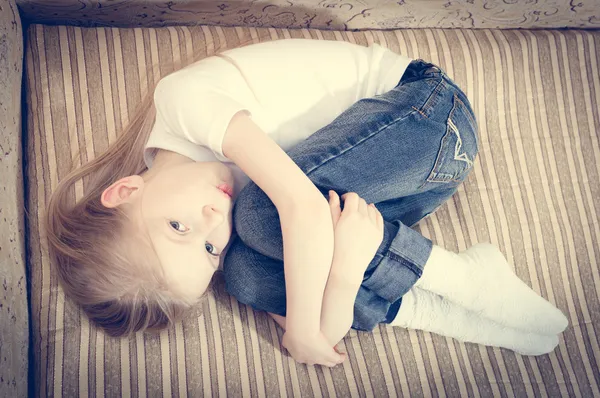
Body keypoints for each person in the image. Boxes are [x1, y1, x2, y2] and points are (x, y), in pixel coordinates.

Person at [46, 38, 568, 367]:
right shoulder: (215, 196)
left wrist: (304, 330)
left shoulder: (180, 103)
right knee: (248, 275)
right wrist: (336, 283)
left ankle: (464, 279)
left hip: (428, 119)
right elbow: (308, 251)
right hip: (399, 190)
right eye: (207, 249)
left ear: (126, 191)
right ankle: (435, 312)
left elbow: (303, 208)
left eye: (178, 226)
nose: (212, 222)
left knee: (262, 215)